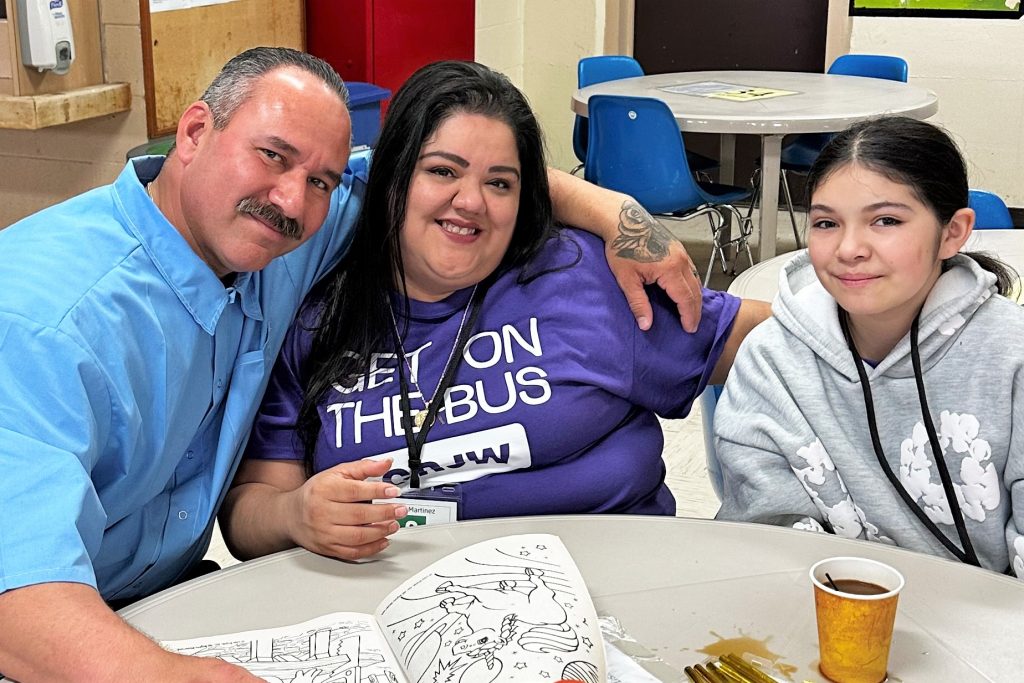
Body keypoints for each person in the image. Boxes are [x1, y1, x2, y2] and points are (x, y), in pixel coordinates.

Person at [0, 48, 708, 682]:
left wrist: (613, 211)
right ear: (193, 133)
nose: (293, 200)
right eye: (272, 156)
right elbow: (18, 601)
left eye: (321, 179)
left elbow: (455, 171)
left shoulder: (283, 231)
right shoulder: (43, 319)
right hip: (66, 632)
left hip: (178, 596)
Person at [218, 60, 770, 563]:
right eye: (441, 171)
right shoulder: (321, 317)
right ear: (392, 182)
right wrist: (297, 515)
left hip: (612, 591)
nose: (471, 202)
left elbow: (783, 342)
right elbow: (249, 517)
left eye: (499, 183)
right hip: (403, 611)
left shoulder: (581, 279)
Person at [714, 116, 1024, 578]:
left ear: (953, 232)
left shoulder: (1011, 355)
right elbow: (768, 541)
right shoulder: (771, 359)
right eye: (825, 222)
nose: (849, 248)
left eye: (886, 220)